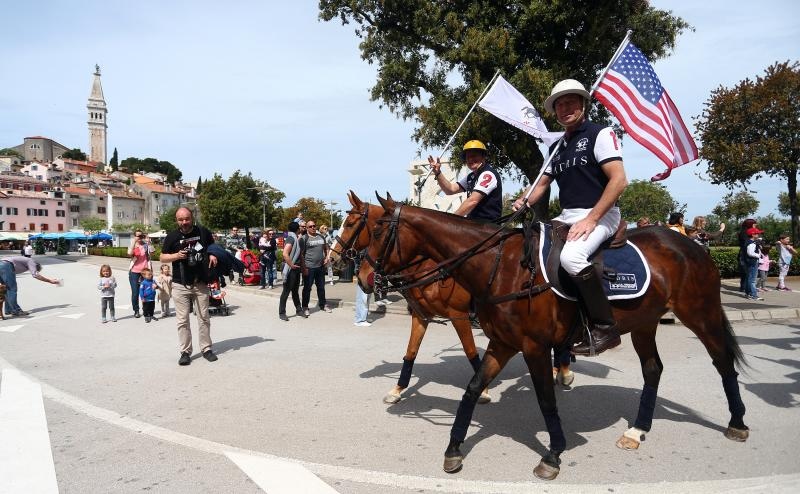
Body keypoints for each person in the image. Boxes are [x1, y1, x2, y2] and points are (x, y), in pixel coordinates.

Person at [513, 79, 627, 356]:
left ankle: (604, 327)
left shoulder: (600, 134)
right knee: (530, 248)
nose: (565, 108)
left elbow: (619, 180)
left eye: (570, 102)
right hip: (567, 216)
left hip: (601, 214)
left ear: (583, 104)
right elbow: (542, 184)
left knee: (571, 258)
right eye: (559, 105)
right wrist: (524, 201)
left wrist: (591, 220)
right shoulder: (557, 146)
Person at [160, 207, 219, 366]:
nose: (184, 222)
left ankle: (206, 349)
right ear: (176, 220)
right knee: (182, 321)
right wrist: (177, 256)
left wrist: (212, 254)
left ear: (192, 218)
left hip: (200, 283)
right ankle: (185, 351)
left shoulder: (202, 231)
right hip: (180, 284)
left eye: (186, 219)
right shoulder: (172, 236)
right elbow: (162, 257)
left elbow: (212, 246)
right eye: (180, 219)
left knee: (204, 318)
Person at [427, 140, 503, 220]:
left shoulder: (488, 174)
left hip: (488, 226)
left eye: (474, 156)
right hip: (472, 225)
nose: (470, 159)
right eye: (467, 157)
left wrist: (451, 219)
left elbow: (472, 201)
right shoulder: (471, 177)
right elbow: (450, 189)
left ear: (483, 157)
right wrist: (438, 173)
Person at [301, 220, 332, 316]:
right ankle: (305, 307)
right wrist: (304, 268)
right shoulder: (304, 238)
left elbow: (326, 248)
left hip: (320, 267)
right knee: (307, 288)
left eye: (314, 226)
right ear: (307, 228)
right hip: (309, 268)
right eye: (310, 226)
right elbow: (301, 255)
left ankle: (323, 305)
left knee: (321, 287)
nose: (313, 227)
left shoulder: (321, 236)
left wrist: (327, 257)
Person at [278, 221, 304, 321]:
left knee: (295, 291)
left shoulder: (294, 238)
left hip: (295, 268)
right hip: (290, 269)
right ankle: (282, 313)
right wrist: (291, 265)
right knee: (286, 291)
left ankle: (299, 310)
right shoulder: (291, 238)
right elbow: (285, 254)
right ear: (298, 229)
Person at [127, 229, 153, 318]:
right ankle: (136, 310)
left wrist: (149, 242)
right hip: (134, 272)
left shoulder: (145, 245)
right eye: (137, 236)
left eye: (141, 235)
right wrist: (134, 242)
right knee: (135, 292)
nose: (139, 237)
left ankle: (146, 310)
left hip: (145, 272)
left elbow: (153, 252)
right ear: (134, 236)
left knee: (147, 292)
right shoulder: (133, 245)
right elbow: (129, 254)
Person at [737, 219, 758, 292]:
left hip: (744, 253)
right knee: (747, 272)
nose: (756, 226)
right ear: (750, 225)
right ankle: (747, 289)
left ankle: (744, 287)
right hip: (745, 254)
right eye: (754, 224)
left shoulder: (744, 232)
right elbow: (747, 244)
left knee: (745, 273)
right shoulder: (745, 233)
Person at [353, 249, 373, 327]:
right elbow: (359, 260)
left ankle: (364, 317)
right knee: (362, 298)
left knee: (367, 297)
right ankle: (359, 320)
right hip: (363, 273)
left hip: (368, 273)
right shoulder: (362, 248)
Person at [744, 227, 764, 300]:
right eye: (757, 233)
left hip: (751, 262)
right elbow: (750, 253)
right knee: (752, 280)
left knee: (749, 278)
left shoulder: (751, 242)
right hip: (753, 262)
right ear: (753, 234)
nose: (758, 234)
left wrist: (759, 246)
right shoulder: (751, 243)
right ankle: (753, 295)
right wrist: (758, 255)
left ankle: (748, 293)